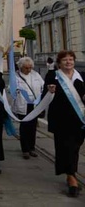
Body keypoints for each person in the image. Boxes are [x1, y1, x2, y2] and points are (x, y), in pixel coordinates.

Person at [43, 50, 85, 198]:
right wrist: (50, 91)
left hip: (79, 119)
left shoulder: (82, 76)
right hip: (61, 120)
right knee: (65, 147)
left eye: (71, 59)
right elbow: (44, 98)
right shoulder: (52, 76)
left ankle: (70, 173)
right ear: (59, 63)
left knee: (75, 148)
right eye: (65, 60)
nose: (68, 62)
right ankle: (72, 177)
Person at [12, 57, 44, 159]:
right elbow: (11, 89)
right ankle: (25, 149)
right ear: (21, 67)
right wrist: (15, 91)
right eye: (26, 68)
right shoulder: (15, 76)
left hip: (34, 105)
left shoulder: (35, 75)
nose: (29, 70)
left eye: (30, 67)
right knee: (24, 127)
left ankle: (32, 148)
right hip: (23, 105)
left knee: (33, 127)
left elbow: (43, 86)